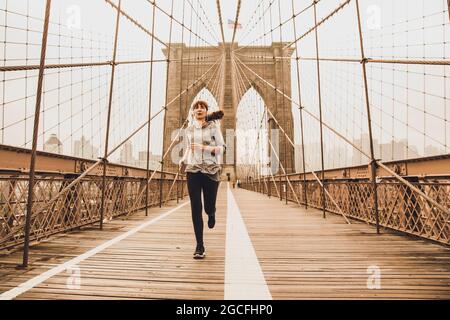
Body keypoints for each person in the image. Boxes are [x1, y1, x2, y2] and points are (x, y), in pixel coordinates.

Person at [179, 100, 226, 259]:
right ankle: (199, 245)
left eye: (202, 108)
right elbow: (187, 148)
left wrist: (203, 148)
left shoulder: (214, 127)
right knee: (195, 208)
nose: (199, 110)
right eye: (196, 108)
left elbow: (222, 149)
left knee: (207, 206)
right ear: (192, 113)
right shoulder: (188, 130)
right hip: (193, 169)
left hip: (211, 170)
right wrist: (183, 159)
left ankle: (211, 213)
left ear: (206, 112)